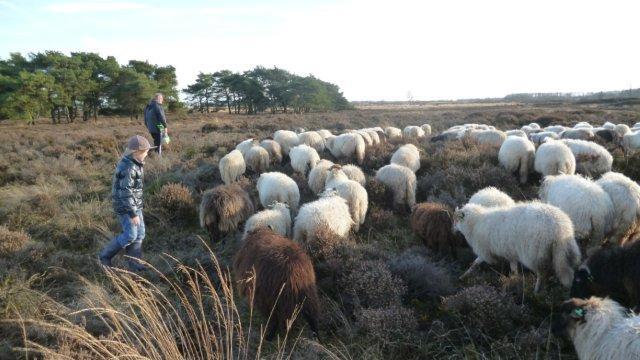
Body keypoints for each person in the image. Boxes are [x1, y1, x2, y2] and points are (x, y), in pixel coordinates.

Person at [99, 135, 156, 271]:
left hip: (134, 205)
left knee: (140, 233)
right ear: (136, 152)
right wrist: (132, 213)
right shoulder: (129, 168)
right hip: (126, 207)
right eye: (146, 151)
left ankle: (135, 263)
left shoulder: (136, 164)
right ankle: (105, 256)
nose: (147, 154)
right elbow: (125, 193)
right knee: (130, 234)